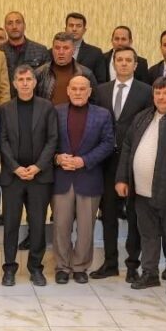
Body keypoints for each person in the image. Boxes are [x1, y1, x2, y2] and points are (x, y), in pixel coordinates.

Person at [115, 77, 166, 294]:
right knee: (148, 235)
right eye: (157, 93)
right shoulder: (142, 117)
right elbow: (127, 146)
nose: (161, 97)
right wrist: (122, 178)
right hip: (141, 191)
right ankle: (150, 274)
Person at [91, 45, 152, 282]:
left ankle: (133, 264)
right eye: (120, 60)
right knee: (108, 214)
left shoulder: (146, 91)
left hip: (134, 161)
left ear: (135, 65)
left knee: (134, 215)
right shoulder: (101, 90)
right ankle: (110, 263)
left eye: (128, 60)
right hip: (106, 161)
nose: (124, 63)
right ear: (114, 63)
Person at [0, 64, 57, 286]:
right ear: (14, 83)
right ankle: (9, 269)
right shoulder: (5, 109)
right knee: (11, 224)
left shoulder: (47, 107)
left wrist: (38, 167)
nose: (24, 83)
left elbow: (52, 139)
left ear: (35, 82)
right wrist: (15, 167)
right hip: (13, 177)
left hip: (39, 177)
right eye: (20, 80)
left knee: (38, 224)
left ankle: (36, 268)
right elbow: (2, 140)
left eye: (28, 79)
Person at [52, 75, 114, 284]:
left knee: (86, 228)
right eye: (74, 89)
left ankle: (80, 267)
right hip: (62, 178)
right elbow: (48, 141)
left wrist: (84, 161)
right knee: (61, 226)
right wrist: (57, 158)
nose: (78, 92)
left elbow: (108, 144)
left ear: (89, 92)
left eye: (82, 89)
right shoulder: (56, 112)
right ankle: (62, 267)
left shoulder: (102, 114)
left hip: (89, 177)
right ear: (68, 91)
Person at [34, 33, 94, 104]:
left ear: (73, 50)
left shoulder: (85, 73)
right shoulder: (40, 73)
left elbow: (94, 102)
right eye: (57, 48)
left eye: (66, 48)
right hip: (48, 111)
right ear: (52, 50)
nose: (61, 52)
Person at [1, 11, 50, 79]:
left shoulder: (41, 51)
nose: (14, 27)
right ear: (5, 27)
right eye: (10, 23)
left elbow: (46, 80)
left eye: (18, 22)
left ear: (24, 26)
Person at [64, 12, 107, 82]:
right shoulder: (53, 52)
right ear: (65, 29)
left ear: (84, 30)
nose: (74, 29)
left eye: (78, 26)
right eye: (71, 25)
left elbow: (101, 82)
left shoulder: (95, 53)